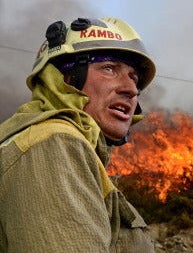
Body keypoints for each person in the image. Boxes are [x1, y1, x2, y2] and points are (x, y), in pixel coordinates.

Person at [0, 17, 156, 252]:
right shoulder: (54, 143)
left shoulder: (68, 149)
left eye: (134, 78)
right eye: (110, 68)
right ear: (66, 79)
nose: (131, 89)